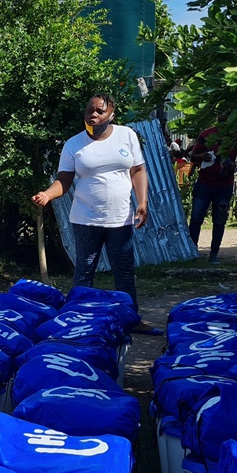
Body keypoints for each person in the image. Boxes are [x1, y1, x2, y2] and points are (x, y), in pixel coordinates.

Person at [31, 93, 155, 333]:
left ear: (111, 115)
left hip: (120, 219)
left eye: (100, 111)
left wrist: (142, 202)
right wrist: (48, 194)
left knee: (124, 272)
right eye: (91, 110)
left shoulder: (126, 135)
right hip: (86, 219)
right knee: (84, 272)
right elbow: (64, 180)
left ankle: (131, 320)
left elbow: (138, 170)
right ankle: (75, 320)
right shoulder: (74, 144)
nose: (94, 115)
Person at [187, 116, 237, 264]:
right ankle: (192, 252)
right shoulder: (207, 134)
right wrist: (202, 156)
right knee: (196, 219)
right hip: (204, 184)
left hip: (224, 185)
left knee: (219, 221)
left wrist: (234, 165)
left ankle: (214, 254)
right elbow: (192, 156)